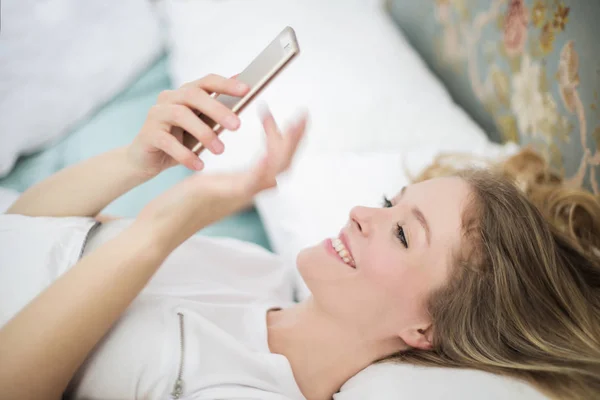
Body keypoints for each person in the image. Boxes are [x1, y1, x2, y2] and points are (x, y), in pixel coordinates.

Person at [0, 74, 598, 400]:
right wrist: (138, 164)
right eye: (392, 202)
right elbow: (29, 231)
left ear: (425, 329)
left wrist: (164, 227)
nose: (364, 211)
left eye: (403, 234)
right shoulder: (259, 272)